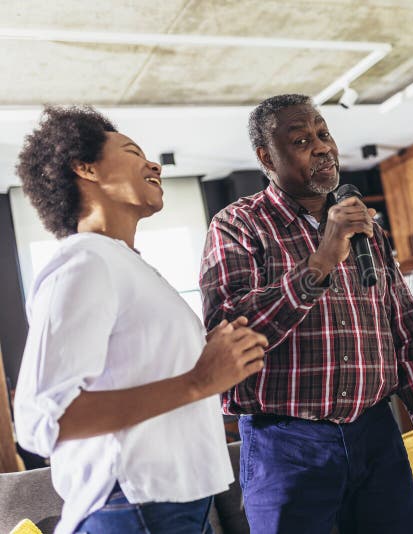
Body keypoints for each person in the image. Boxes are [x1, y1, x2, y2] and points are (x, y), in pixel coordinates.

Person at [199, 94, 413, 534]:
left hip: (377, 433)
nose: (322, 147)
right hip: (286, 445)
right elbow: (230, 331)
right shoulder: (237, 225)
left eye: (324, 134)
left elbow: (403, 332)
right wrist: (320, 261)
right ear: (266, 157)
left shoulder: (369, 231)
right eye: (301, 140)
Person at [13, 106, 268, 534]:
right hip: (133, 508)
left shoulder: (122, 263)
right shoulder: (84, 260)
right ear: (86, 168)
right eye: (132, 152)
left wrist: (208, 357)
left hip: (170, 506)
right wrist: (199, 380)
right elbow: (42, 421)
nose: (153, 164)